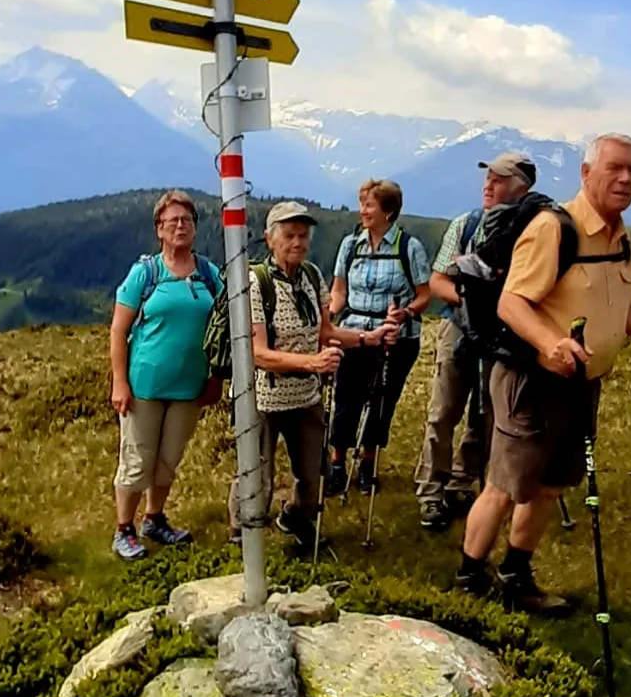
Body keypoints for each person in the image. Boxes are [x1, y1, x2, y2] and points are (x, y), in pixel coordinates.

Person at [458, 134, 631, 611]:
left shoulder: (619, 238)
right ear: (585, 172)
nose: (626, 179)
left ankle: (516, 575)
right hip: (529, 381)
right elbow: (513, 302)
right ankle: (469, 581)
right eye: (615, 168)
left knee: (549, 485)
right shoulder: (555, 228)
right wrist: (550, 344)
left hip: (581, 384)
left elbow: (623, 314)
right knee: (505, 485)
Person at [227, 201, 397, 551]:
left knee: (313, 472)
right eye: (289, 235)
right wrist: (312, 364)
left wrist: (369, 338)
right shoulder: (255, 283)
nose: (298, 243)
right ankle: (242, 533)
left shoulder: (313, 276)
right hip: (263, 397)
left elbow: (325, 332)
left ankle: (296, 517)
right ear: (270, 240)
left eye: (303, 236)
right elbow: (257, 354)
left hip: (306, 396)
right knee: (258, 472)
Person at [414, 152, 536, 532]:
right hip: (458, 327)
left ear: (521, 186)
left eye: (498, 179)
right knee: (444, 410)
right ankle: (432, 490)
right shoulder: (465, 224)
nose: (488, 185)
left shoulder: (534, 229)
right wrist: (471, 302)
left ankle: (462, 481)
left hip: (504, 331)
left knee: (487, 413)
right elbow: (437, 280)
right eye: (488, 179)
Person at [110, 189, 223, 561]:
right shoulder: (145, 273)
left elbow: (223, 324)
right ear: (159, 229)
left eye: (187, 220)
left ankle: (154, 519)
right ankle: (123, 529)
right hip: (144, 386)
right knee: (137, 459)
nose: (180, 226)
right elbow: (118, 330)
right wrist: (119, 382)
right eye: (172, 221)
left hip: (189, 387)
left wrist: (217, 376)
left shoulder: (209, 274)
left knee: (168, 458)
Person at [326, 178, 432, 496]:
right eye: (362, 204)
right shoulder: (351, 245)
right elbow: (339, 290)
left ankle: (368, 465)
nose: (363, 212)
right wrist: (327, 321)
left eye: (369, 205)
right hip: (355, 331)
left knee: (382, 400)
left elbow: (424, 294)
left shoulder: (408, 248)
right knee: (346, 397)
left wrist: (406, 313)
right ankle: (336, 465)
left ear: (388, 210)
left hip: (395, 337)